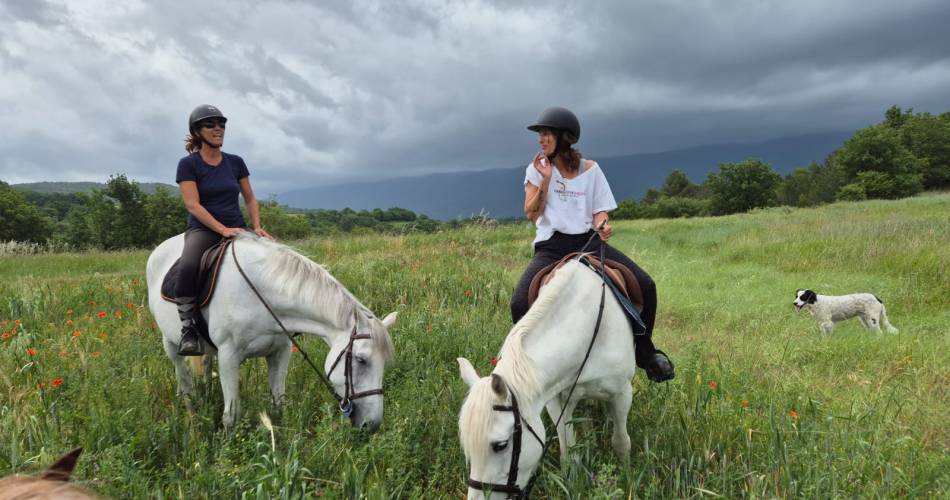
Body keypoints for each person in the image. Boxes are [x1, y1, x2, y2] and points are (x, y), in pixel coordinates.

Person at [510, 106, 674, 382]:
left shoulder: (592, 170)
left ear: (565, 137)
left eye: (546, 133)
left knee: (646, 284)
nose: (541, 139)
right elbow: (531, 213)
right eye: (540, 134)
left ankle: (645, 353)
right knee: (518, 302)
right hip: (552, 245)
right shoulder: (536, 170)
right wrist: (547, 179)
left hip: (588, 241)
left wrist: (602, 224)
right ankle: (525, 363)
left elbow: (600, 210)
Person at [174, 104, 271, 356]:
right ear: (197, 131)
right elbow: (192, 205)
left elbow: (249, 198)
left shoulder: (236, 162)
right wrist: (222, 229)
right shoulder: (188, 165)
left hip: (237, 227)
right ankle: (188, 328)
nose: (218, 128)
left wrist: (257, 227)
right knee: (188, 266)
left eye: (221, 124)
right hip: (204, 230)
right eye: (210, 124)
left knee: (276, 257)